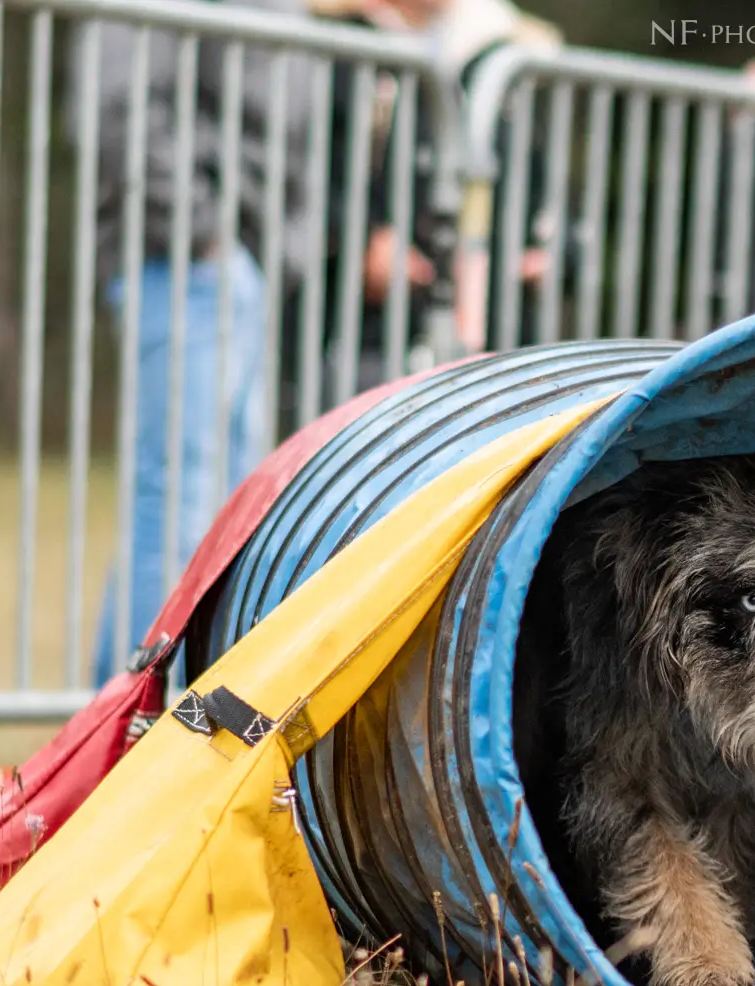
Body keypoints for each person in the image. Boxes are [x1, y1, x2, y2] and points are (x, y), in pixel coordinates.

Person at [87, 3, 314, 685]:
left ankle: (116, 711)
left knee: (213, 503)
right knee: (180, 499)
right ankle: (139, 720)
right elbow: (121, 103)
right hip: (189, 255)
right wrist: (203, 233)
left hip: (237, 259)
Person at [308, 0, 559, 384]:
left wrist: (552, 251)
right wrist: (361, 237)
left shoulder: (511, 46)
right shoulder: (338, 33)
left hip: (488, 315)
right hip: (367, 314)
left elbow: (538, 180)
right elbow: (314, 156)